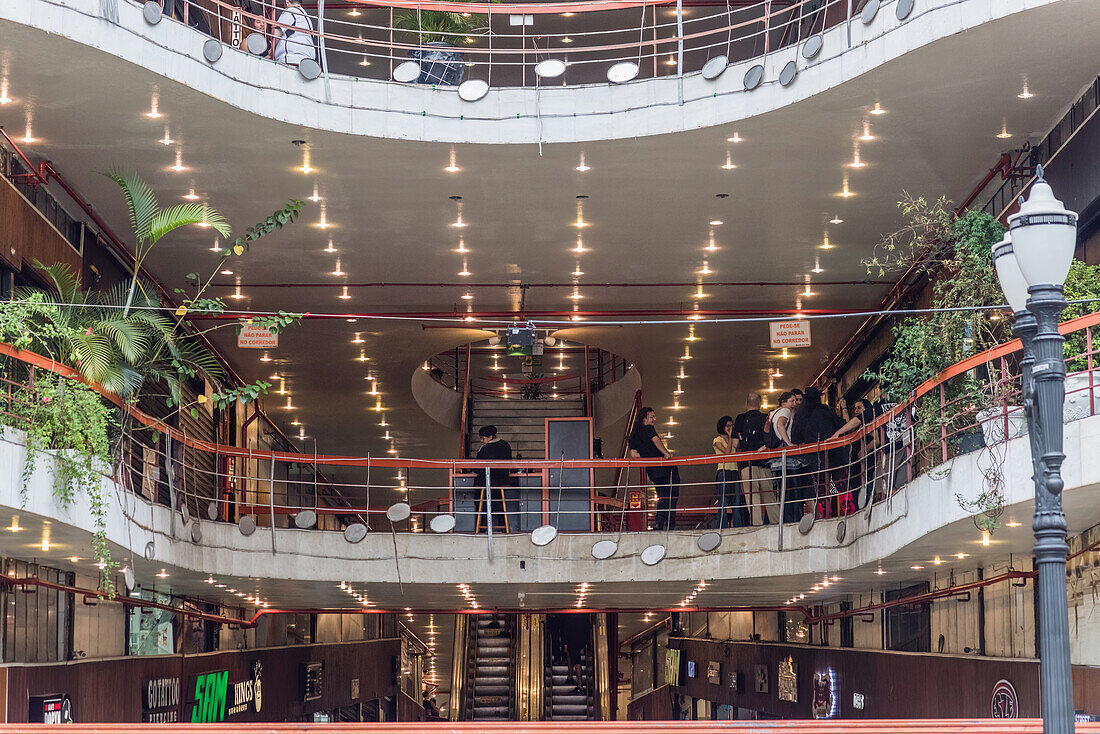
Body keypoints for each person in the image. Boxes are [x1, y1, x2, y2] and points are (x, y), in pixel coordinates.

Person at [792, 388, 846, 518]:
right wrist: (844, 410)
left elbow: (795, 438)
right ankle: (847, 512)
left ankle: (826, 516)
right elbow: (842, 425)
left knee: (822, 490)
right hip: (834, 454)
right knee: (842, 486)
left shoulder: (800, 416)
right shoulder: (825, 412)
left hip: (815, 458)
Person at [629, 407, 679, 531]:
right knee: (671, 496)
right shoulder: (648, 429)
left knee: (662, 495)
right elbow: (656, 440)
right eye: (652, 417)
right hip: (665, 467)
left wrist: (646, 455)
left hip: (652, 470)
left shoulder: (634, 434)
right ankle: (667, 523)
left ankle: (661, 523)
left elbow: (634, 455)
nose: (654, 420)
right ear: (644, 419)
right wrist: (667, 454)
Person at [733, 393, 775, 525]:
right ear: (760, 403)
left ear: (746, 403)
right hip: (765, 463)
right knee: (770, 498)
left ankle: (757, 526)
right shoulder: (765, 417)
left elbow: (735, 444)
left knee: (752, 499)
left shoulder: (741, 418)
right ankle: (777, 524)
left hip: (748, 464)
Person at [766, 391, 804, 523]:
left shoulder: (773, 413)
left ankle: (785, 519)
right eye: (792, 401)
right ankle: (794, 520)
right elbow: (780, 425)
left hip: (777, 459)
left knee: (783, 492)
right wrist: (789, 443)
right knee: (794, 491)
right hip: (787, 457)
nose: (794, 404)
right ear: (784, 402)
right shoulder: (785, 412)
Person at [475, 425, 513, 532]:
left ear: (490, 437)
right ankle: (504, 527)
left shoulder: (484, 448)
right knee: (499, 502)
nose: (482, 441)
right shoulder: (505, 445)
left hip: (486, 483)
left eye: (483, 438)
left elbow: (477, 467)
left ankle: (482, 527)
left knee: (480, 501)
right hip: (502, 482)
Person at [712, 415, 748, 528]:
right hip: (723, 471)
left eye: (732, 425)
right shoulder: (717, 440)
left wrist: (733, 437)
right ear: (722, 427)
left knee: (736, 502)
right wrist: (729, 436)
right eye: (728, 426)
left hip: (734, 471)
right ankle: (722, 527)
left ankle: (737, 526)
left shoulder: (733, 440)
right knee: (723, 502)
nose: (730, 427)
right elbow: (727, 454)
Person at [272, 0, 316, 67]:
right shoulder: (305, 15)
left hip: (292, 57)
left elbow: (277, 33)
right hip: (307, 59)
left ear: (287, 1)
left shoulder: (290, 11)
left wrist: (271, 50)